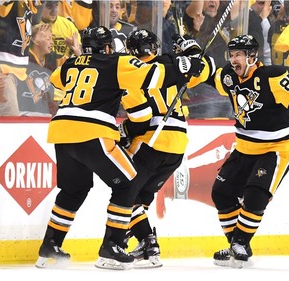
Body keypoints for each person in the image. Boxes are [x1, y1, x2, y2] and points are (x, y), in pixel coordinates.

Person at [35, 25, 205, 270]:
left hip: (61, 132)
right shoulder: (117, 62)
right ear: (107, 47)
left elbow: (57, 80)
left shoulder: (70, 64)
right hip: (92, 131)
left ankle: (50, 244)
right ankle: (112, 246)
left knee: (75, 189)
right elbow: (152, 77)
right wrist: (183, 67)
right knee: (128, 182)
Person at [202, 34, 289, 268]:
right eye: (231, 55)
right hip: (243, 148)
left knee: (255, 195)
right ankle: (236, 244)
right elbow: (210, 75)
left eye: (238, 55)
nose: (233, 60)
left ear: (252, 56)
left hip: (274, 150)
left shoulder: (273, 76)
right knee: (221, 193)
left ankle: (240, 242)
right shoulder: (231, 76)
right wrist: (190, 56)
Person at [119, 29, 213, 268]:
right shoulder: (172, 65)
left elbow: (140, 119)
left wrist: (124, 132)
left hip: (152, 140)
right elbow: (206, 66)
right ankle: (139, 235)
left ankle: (148, 243)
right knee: (143, 195)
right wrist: (190, 48)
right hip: (178, 145)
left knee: (125, 194)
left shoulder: (133, 72)